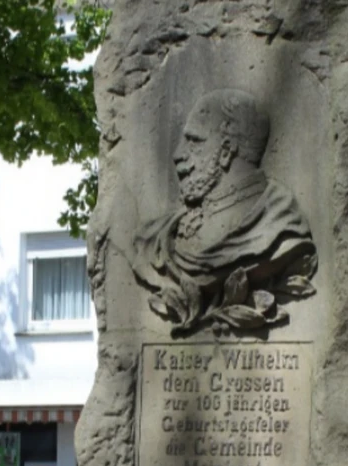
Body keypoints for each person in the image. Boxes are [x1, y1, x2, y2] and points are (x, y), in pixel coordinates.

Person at [134, 89, 316, 333]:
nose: (178, 155)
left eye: (194, 141)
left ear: (227, 150)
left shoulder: (282, 230)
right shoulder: (156, 238)